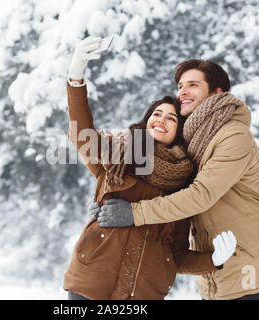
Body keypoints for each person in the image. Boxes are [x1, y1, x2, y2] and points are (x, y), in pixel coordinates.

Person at [63, 37, 237, 300]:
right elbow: (82, 130)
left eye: (171, 118)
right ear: (146, 122)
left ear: (179, 131)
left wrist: (213, 260)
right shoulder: (116, 160)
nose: (161, 120)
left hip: (144, 294)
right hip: (90, 284)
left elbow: (176, 255)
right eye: (156, 114)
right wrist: (76, 76)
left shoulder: (185, 185)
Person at [96, 58, 259, 300]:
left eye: (193, 85)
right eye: (180, 85)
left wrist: (134, 212)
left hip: (246, 269)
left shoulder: (234, 136)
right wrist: (106, 202)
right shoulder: (193, 143)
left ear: (217, 92)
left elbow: (200, 195)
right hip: (215, 273)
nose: (182, 91)